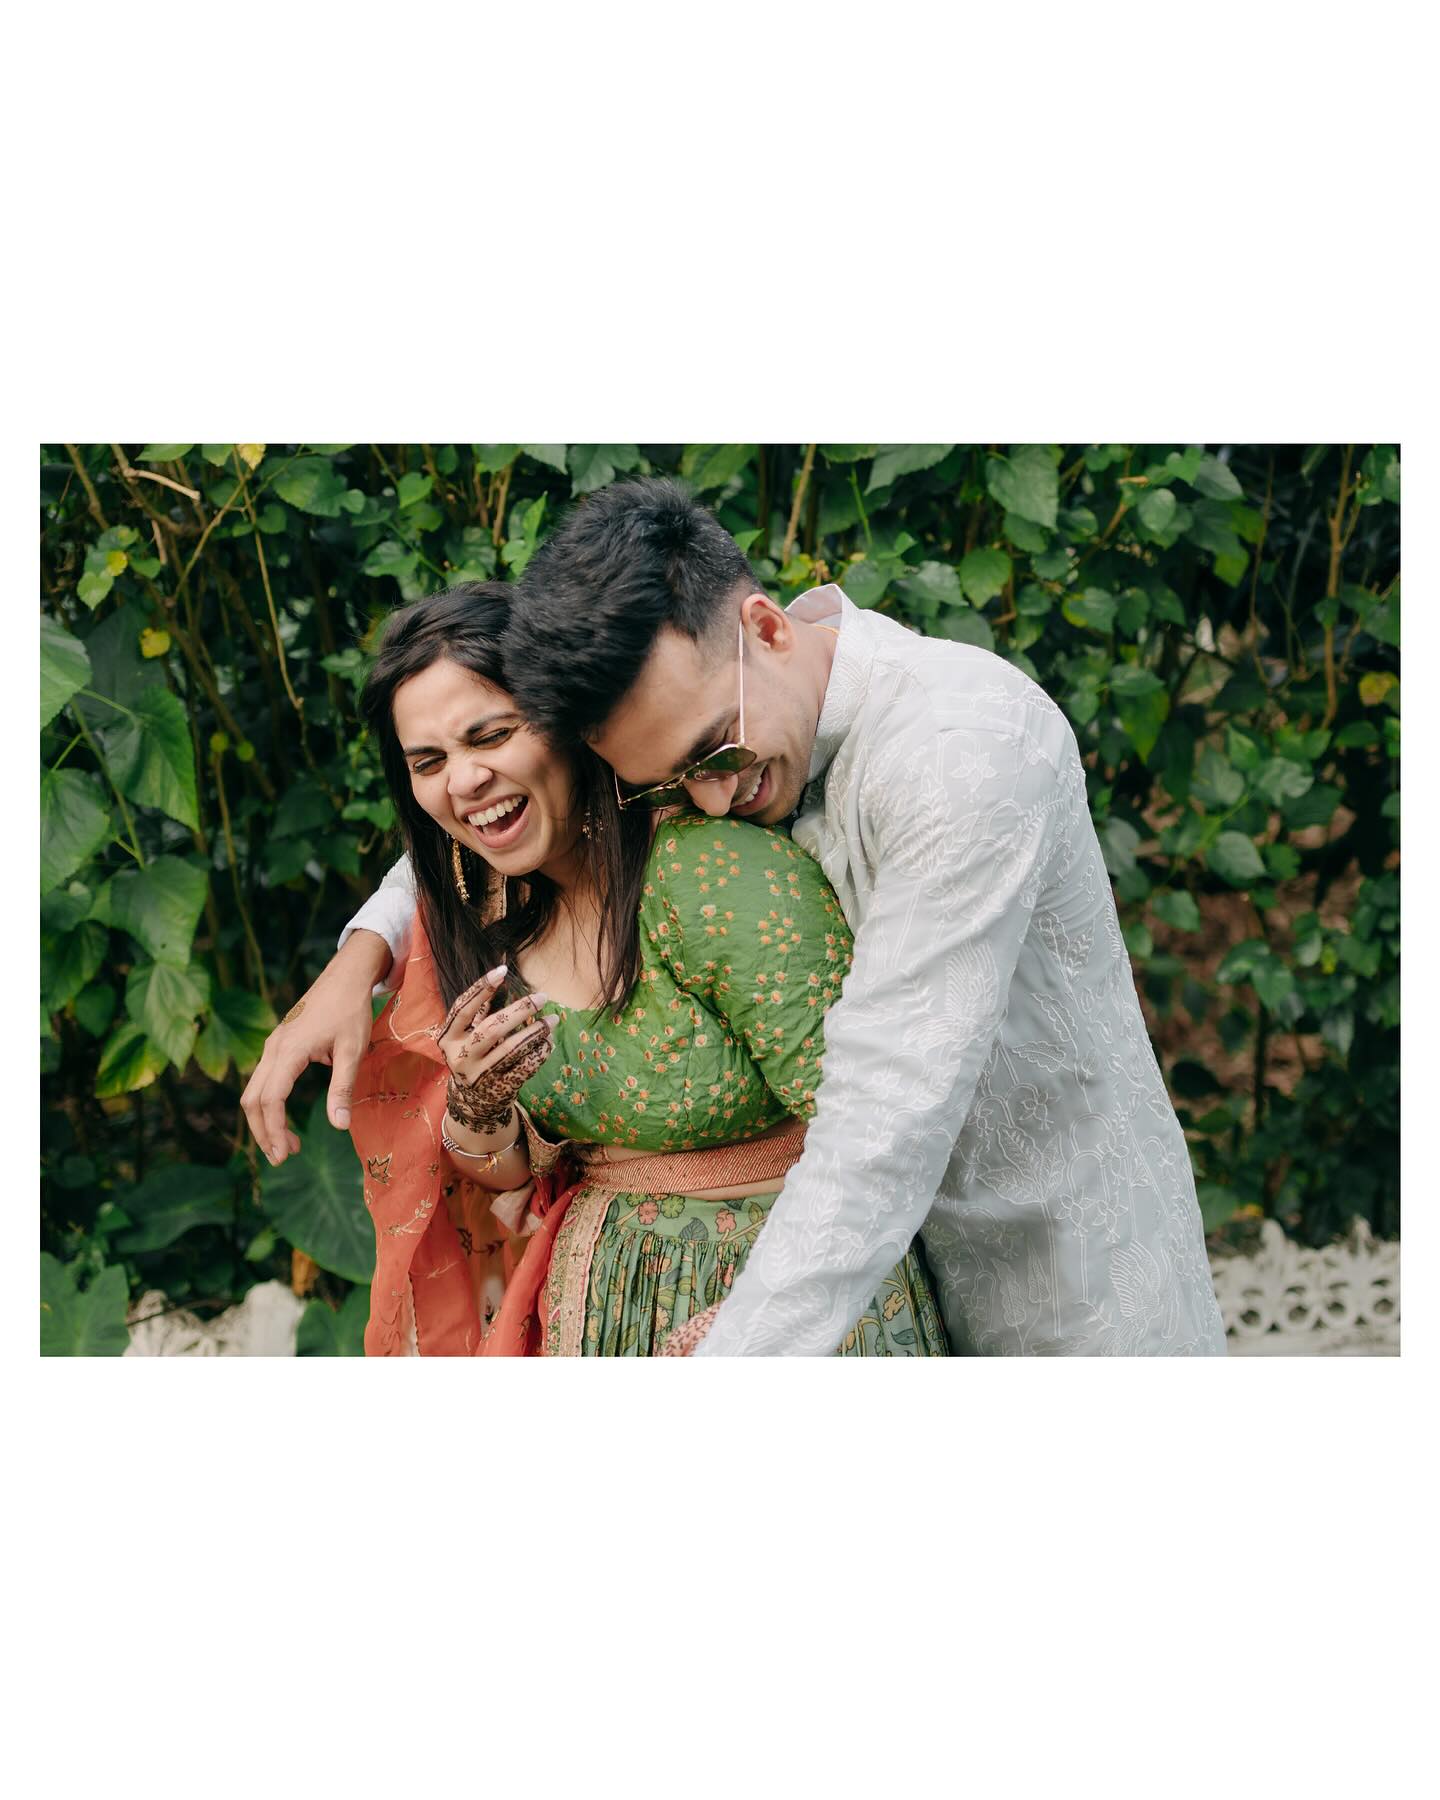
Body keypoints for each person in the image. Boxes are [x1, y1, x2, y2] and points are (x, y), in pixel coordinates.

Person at [245, 477, 1226, 1357]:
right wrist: (365, 950)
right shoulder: (738, 724)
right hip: (863, 1280)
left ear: (765, 626)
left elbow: (883, 1116)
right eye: (667, 781)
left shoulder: (958, 756)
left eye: (710, 759)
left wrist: (741, 1345)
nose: (709, 804)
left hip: (1057, 1279)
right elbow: (502, 813)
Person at [333, 581, 948, 1355]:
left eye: (490, 736)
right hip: (604, 1304)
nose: (462, 781)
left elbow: (873, 1145)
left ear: (571, 729)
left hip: (802, 1309)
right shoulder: (480, 914)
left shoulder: (712, 876)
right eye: (429, 761)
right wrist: (477, 1109)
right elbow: (518, 1175)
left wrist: (749, 1328)